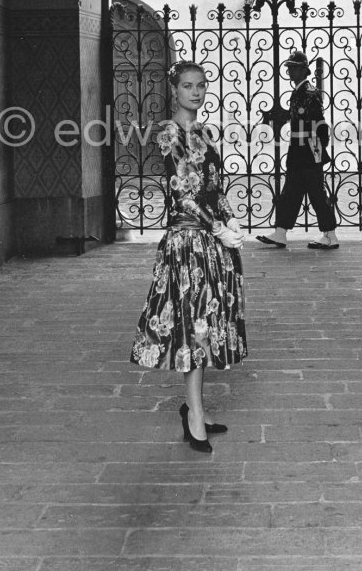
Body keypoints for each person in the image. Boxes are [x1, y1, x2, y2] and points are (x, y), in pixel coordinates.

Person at [130, 60, 247, 454]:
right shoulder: (169, 133)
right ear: (174, 91)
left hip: (211, 243)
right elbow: (184, 193)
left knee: (206, 324)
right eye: (187, 87)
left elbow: (214, 187)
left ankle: (196, 408)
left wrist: (232, 221)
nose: (196, 93)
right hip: (187, 242)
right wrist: (217, 227)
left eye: (200, 86)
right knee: (194, 327)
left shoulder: (203, 132)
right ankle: (194, 415)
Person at [256, 50, 339, 250]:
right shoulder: (300, 91)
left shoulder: (308, 93)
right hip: (301, 152)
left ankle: (330, 235)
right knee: (291, 193)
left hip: (308, 153)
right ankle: (280, 232)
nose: (290, 71)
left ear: (304, 69)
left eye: (293, 67)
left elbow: (319, 124)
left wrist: (317, 150)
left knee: (317, 194)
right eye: (289, 67)